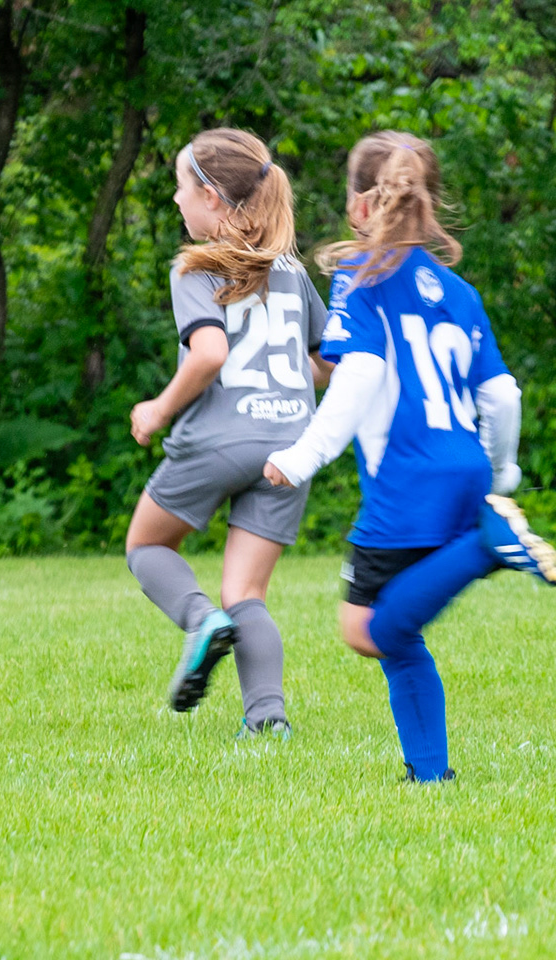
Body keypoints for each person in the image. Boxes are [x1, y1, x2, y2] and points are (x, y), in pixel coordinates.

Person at [265, 131, 553, 782]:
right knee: (391, 633)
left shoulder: (357, 278)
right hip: (466, 468)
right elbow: (503, 395)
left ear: (360, 206)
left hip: (407, 478)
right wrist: (500, 472)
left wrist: (305, 455)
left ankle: (488, 546)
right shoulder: (458, 292)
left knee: (368, 629)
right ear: (427, 204)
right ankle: (430, 773)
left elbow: (360, 373)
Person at [125, 128, 330, 734]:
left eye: (181, 189)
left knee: (147, 547)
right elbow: (327, 364)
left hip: (218, 437)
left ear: (213, 198)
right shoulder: (289, 269)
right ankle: (268, 721)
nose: (175, 201)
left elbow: (209, 353)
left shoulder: (197, 265)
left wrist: (159, 409)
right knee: (247, 590)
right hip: (292, 443)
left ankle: (198, 622)